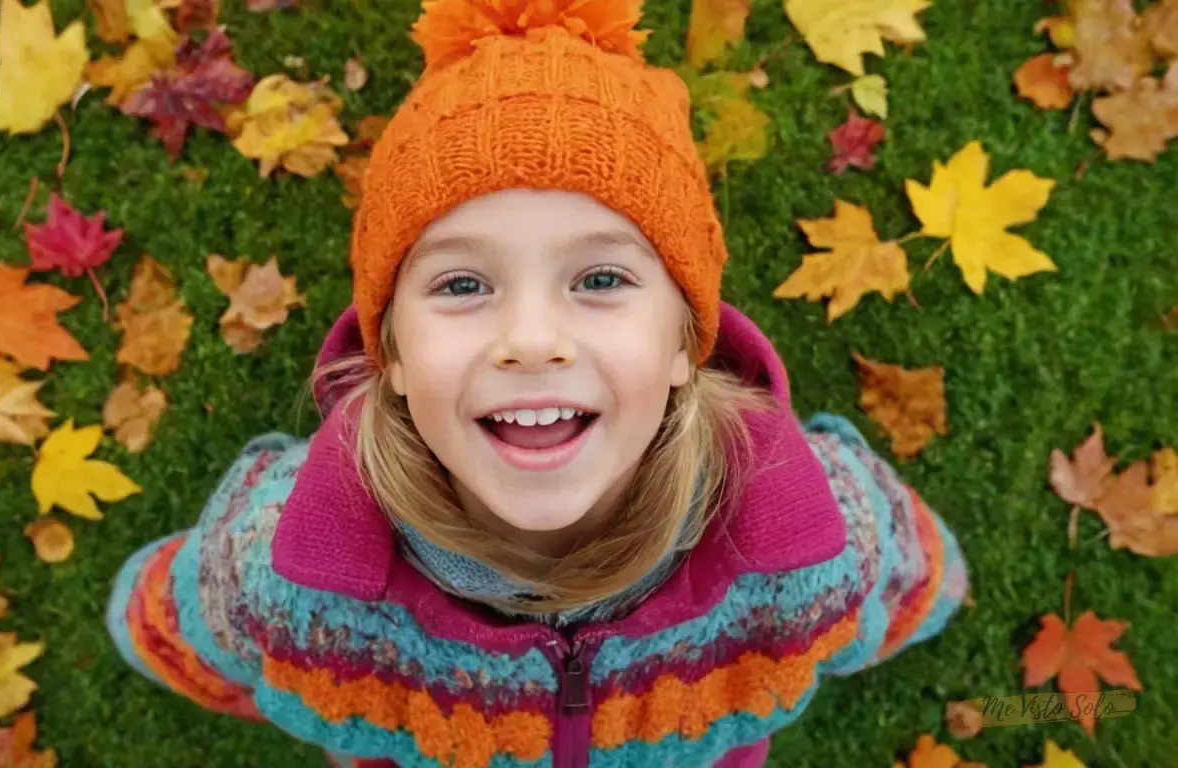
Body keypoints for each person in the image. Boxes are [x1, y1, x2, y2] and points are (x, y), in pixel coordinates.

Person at [105, 1, 971, 766]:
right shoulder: (281, 562)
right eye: (461, 285)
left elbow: (914, 582)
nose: (530, 340)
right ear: (393, 357)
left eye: (599, 281)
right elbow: (172, 625)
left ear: (685, 343)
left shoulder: (819, 537)